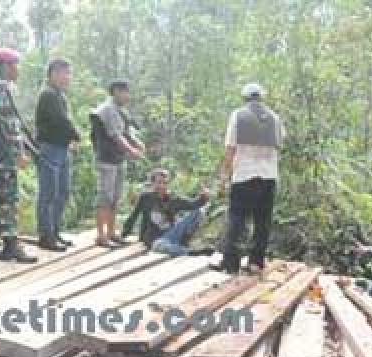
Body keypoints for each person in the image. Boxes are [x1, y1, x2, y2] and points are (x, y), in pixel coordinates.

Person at [214, 83, 282, 275]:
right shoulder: (275, 118)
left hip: (244, 175)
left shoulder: (238, 115)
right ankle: (256, 262)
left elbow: (230, 149)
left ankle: (231, 263)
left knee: (236, 219)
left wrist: (224, 176)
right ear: (261, 98)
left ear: (244, 98)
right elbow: (278, 146)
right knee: (263, 221)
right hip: (268, 176)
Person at [0, 47, 36, 262]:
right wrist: (19, 152)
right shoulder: (1, 89)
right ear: (6, 67)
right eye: (14, 65)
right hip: (2, 155)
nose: (17, 70)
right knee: (8, 198)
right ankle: (10, 243)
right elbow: (9, 125)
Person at [90, 79, 145, 248]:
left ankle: (112, 232)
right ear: (115, 92)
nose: (127, 96)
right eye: (124, 92)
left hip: (118, 159)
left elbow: (126, 132)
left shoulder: (121, 111)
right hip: (106, 159)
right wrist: (131, 150)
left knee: (115, 197)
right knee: (105, 197)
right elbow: (116, 135)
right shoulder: (107, 110)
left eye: (128, 92)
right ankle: (101, 235)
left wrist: (137, 143)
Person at [35, 58, 81, 252]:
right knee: (49, 193)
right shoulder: (48, 95)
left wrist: (70, 140)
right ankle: (46, 235)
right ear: (53, 74)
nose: (67, 78)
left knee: (63, 192)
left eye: (69, 73)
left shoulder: (60, 96)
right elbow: (61, 121)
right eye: (63, 73)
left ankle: (55, 231)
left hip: (62, 149)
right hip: (49, 149)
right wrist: (76, 135)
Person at [121, 168, 213, 256]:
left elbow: (193, 205)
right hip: (155, 239)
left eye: (165, 183)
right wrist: (124, 234)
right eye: (159, 182)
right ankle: (190, 252)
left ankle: (184, 242)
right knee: (159, 246)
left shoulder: (173, 198)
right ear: (152, 183)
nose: (162, 186)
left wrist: (204, 197)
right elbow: (133, 216)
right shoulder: (145, 198)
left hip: (172, 233)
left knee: (198, 211)